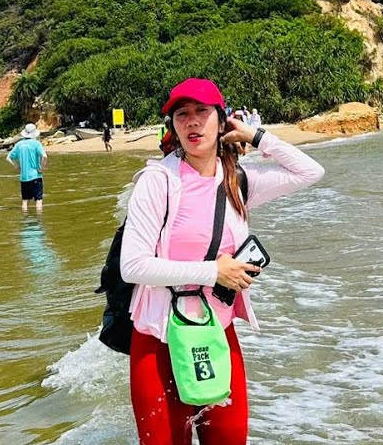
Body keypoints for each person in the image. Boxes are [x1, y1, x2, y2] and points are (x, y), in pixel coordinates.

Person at [120, 78, 325, 444]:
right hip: (158, 339)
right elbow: (132, 266)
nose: (192, 122)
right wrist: (214, 270)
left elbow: (310, 172)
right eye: (182, 115)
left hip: (216, 333)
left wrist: (254, 135)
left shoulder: (239, 182)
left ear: (222, 120)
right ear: (173, 126)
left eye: (202, 112)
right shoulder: (158, 181)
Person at [6, 123, 47, 213]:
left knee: (25, 201)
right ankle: (38, 220)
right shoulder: (36, 144)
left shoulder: (19, 144)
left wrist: (16, 166)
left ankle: (25, 219)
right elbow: (44, 156)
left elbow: (8, 158)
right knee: (38, 200)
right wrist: (42, 168)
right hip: (35, 176)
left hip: (23, 178)